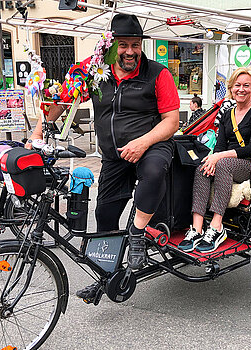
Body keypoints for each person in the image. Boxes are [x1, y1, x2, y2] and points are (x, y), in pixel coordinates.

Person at [26, 14, 180, 298]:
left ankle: (137, 233)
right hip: (113, 156)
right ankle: (106, 276)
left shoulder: (158, 74)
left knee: (155, 171)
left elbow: (171, 121)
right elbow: (61, 100)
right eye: (123, 45)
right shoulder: (93, 70)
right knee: (105, 216)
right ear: (110, 45)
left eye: (135, 45)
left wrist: (142, 143)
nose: (130, 51)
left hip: (151, 145)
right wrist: (37, 134)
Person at [178, 66, 251, 253]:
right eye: (237, 85)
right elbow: (219, 145)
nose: (241, 89)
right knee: (202, 167)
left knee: (223, 165)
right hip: (226, 160)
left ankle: (217, 227)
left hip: (248, 162)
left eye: (246, 85)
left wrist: (219, 157)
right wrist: (212, 159)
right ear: (231, 88)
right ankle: (196, 228)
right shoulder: (228, 114)